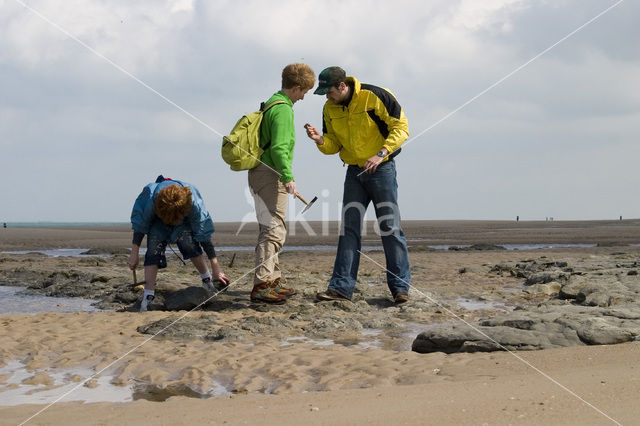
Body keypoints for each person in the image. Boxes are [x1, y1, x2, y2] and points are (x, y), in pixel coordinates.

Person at [305, 66, 411, 304]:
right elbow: (333, 145)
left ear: (342, 86)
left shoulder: (376, 96)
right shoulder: (329, 108)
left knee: (390, 228)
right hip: (354, 172)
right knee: (349, 230)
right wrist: (320, 140)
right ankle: (341, 289)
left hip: (382, 169)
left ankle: (400, 289)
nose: (326, 96)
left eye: (328, 91)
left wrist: (381, 153)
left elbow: (401, 128)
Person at [248, 63, 315, 304]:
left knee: (273, 227)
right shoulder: (283, 109)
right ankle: (262, 284)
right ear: (296, 88)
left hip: (260, 172)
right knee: (273, 230)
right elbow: (278, 148)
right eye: (305, 91)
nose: (304, 96)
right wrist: (288, 177)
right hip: (270, 174)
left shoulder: (272, 103)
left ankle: (273, 279)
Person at [128, 175, 229, 311]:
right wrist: (134, 253)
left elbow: (203, 234)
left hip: (183, 222)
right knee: (153, 249)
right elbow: (141, 225)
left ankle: (207, 280)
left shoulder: (193, 202)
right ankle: (148, 296)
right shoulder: (150, 197)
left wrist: (216, 268)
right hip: (157, 222)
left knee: (189, 243)